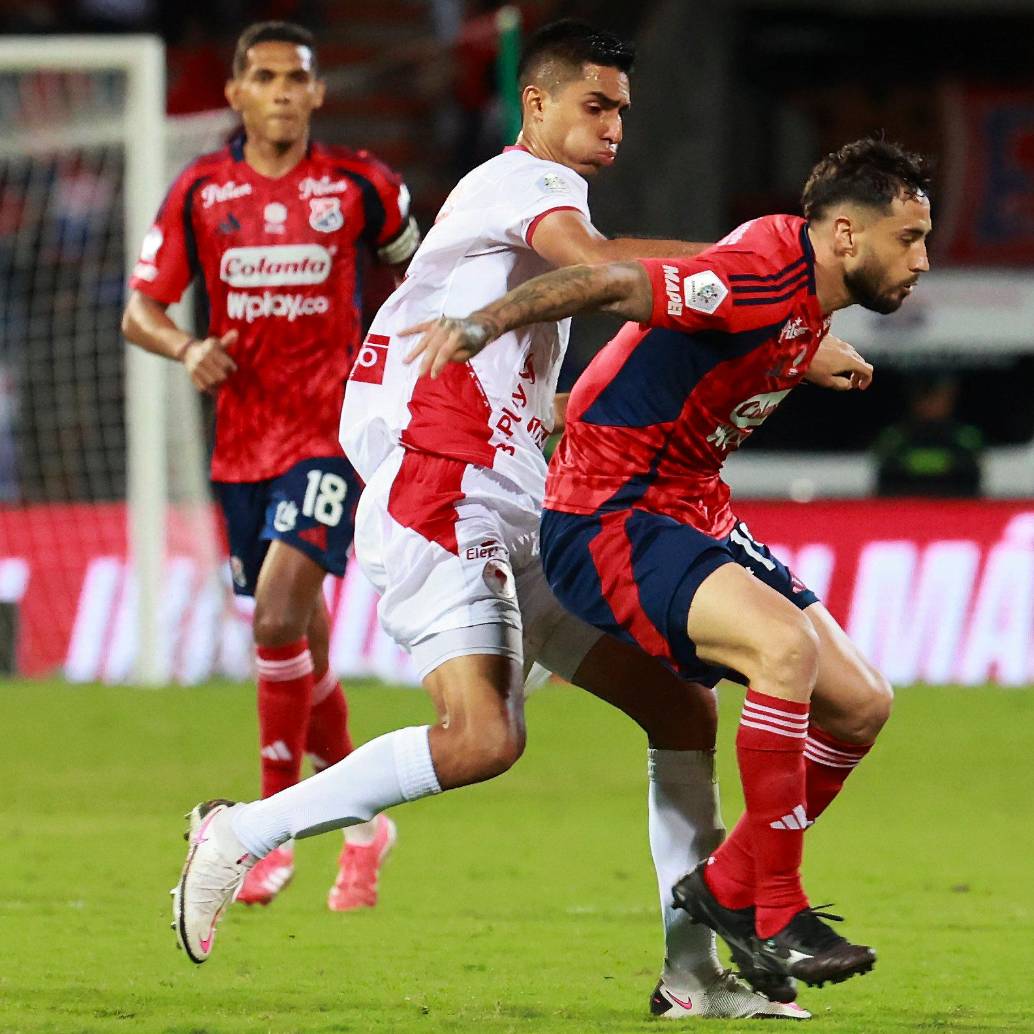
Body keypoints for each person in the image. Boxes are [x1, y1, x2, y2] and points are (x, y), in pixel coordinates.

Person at [170, 20, 819, 1020]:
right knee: (481, 737)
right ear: (536, 103)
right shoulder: (528, 187)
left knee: (681, 708)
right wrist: (759, 284)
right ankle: (241, 831)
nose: (610, 127)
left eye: (620, 112)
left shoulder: (528, 215)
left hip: (512, 492)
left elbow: (557, 332)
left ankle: (690, 976)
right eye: (593, 105)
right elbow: (601, 267)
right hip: (441, 478)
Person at [401, 137, 929, 999]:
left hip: (692, 509)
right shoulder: (757, 276)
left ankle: (722, 889)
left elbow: (646, 356)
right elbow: (617, 288)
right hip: (610, 515)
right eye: (906, 239)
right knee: (784, 651)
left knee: (863, 704)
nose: (922, 260)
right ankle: (773, 913)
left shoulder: (802, 299)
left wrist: (801, 353)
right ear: (843, 235)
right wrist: (482, 325)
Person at [123, 20, 420, 910]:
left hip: (328, 434)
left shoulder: (360, 185)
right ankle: (367, 825)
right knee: (298, 645)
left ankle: (268, 829)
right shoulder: (201, 192)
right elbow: (141, 308)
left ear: (318, 94)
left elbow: (425, 272)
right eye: (265, 76)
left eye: (298, 77)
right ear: (236, 93)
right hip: (240, 447)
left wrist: (395, 361)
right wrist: (185, 350)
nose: (283, 90)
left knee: (279, 614)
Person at [874, 374, 984, 497]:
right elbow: (885, 483)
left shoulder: (966, 437)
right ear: (914, 399)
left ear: (950, 398)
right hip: (906, 508)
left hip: (954, 508)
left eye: (937, 397)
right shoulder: (894, 438)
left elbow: (973, 482)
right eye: (925, 397)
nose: (931, 404)